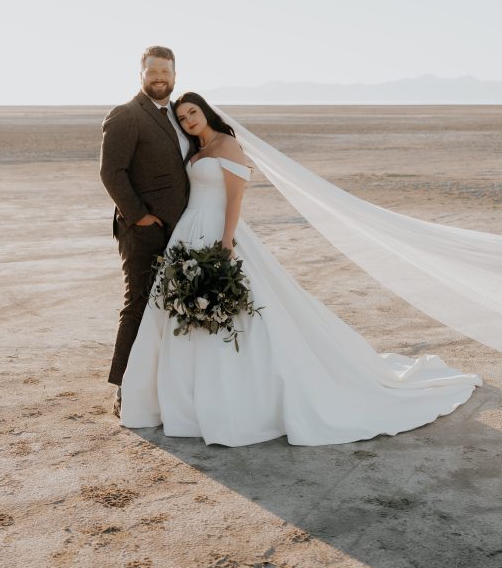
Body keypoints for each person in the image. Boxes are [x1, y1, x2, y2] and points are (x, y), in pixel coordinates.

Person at [119, 93, 482, 447]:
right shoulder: (196, 152)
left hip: (217, 231)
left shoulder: (228, 145)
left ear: (206, 112)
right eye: (182, 117)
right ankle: (186, 399)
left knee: (239, 310)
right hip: (188, 233)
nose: (188, 120)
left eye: (193, 112)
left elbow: (235, 198)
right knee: (180, 310)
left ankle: (241, 396)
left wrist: (226, 241)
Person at [99, 46, 193, 417]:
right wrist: (139, 216)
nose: (159, 78)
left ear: (175, 74)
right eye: (152, 71)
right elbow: (111, 172)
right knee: (138, 303)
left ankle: (163, 381)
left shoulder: (179, 115)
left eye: (165, 72)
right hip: (143, 231)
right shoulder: (126, 115)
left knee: (169, 307)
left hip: (181, 229)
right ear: (140, 74)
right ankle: (123, 386)